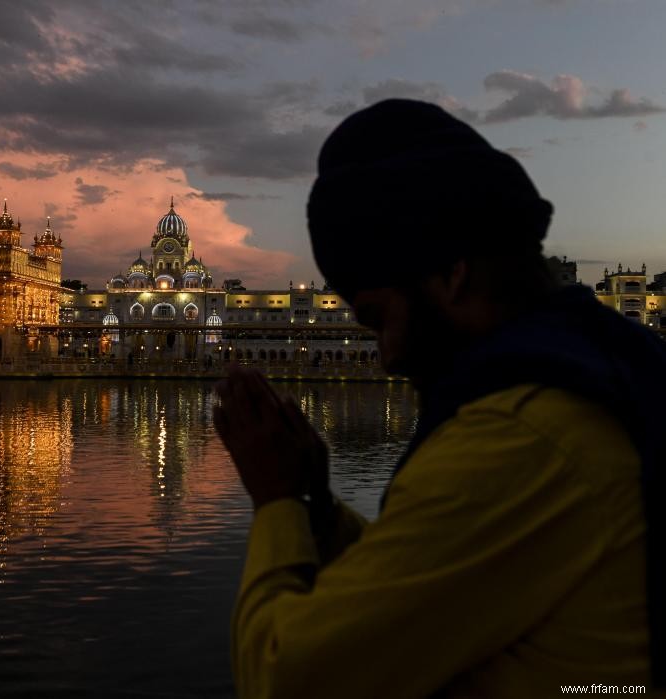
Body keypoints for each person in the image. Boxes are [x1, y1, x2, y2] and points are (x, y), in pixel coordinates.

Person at [214, 99, 665, 698]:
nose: (387, 354)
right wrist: (316, 506)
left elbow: (285, 678)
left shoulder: (519, 435)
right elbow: (427, 581)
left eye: (378, 319)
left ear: (451, 275)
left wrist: (274, 503)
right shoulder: (607, 369)